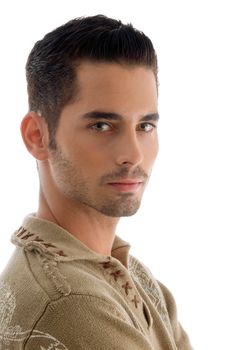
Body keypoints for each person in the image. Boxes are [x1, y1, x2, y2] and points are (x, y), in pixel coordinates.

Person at [0, 15, 192, 350]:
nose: (133, 154)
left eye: (145, 126)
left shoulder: (136, 278)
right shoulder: (71, 304)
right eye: (102, 125)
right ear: (37, 136)